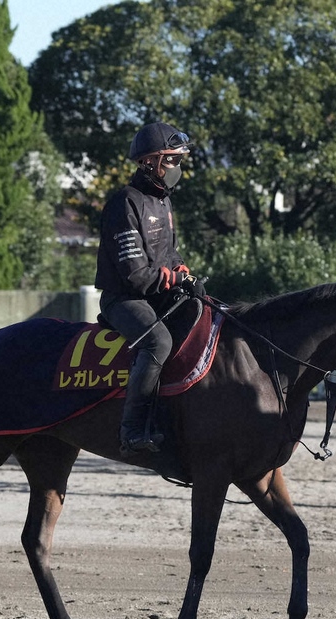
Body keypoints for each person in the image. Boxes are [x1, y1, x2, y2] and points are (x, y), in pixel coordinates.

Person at [95, 122, 196, 455]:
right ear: (151, 161)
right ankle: (132, 430)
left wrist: (180, 268)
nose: (177, 168)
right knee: (158, 341)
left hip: (157, 294)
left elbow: (170, 251)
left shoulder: (164, 202)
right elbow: (136, 276)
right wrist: (174, 279)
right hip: (124, 299)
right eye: (173, 160)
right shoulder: (125, 203)